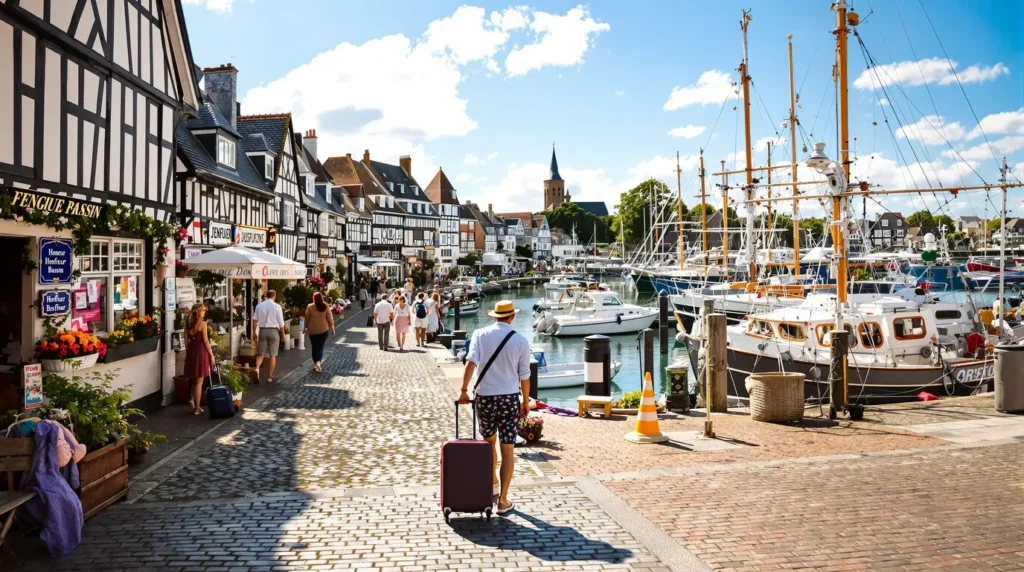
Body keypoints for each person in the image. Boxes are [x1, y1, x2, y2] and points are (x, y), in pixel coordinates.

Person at [457, 300, 531, 516]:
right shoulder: (521, 340)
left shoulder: (480, 334)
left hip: (485, 398)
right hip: (508, 399)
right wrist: (525, 401)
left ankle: (492, 484)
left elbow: (470, 362)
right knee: (507, 449)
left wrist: (463, 390)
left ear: (494, 316)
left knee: (489, 445)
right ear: (512, 317)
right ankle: (503, 500)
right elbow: (525, 375)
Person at [184, 302, 215, 415]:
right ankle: (197, 407)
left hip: (191, 353)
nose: (205, 311)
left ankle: (192, 400)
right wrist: (211, 355)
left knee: (193, 379)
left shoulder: (188, 323)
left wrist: (188, 353)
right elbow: (206, 341)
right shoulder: (203, 324)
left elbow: (186, 341)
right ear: (198, 312)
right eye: (203, 310)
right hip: (201, 353)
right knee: (199, 381)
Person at [253, 290, 286, 383]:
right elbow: (281, 323)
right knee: (273, 354)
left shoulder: (259, 306)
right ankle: (270, 377)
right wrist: (283, 334)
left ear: (266, 296)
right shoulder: (277, 307)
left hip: (262, 330)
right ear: (274, 296)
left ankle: (257, 368)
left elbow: (254, 320)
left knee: (261, 353)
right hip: (274, 331)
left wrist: (253, 333)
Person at [304, 291, 336, 373]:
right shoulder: (325, 306)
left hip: (312, 330)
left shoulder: (309, 307)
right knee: (320, 347)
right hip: (323, 330)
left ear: (313, 298)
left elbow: (306, 318)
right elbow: (330, 318)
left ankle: (315, 363)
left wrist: (304, 328)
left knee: (314, 346)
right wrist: (332, 329)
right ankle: (318, 362)